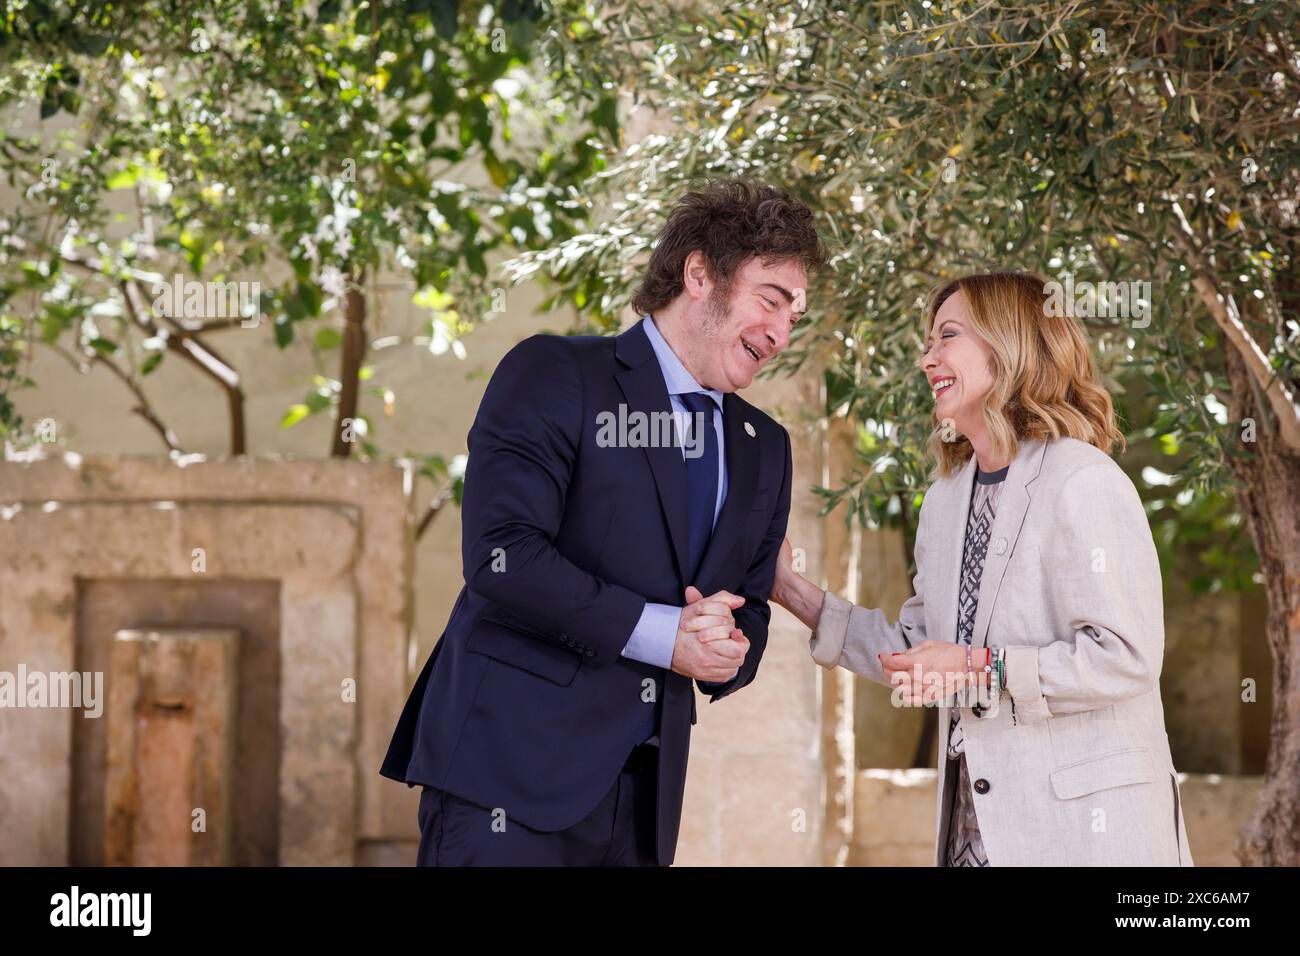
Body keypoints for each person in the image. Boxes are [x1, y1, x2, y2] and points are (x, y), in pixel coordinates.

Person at [381, 178, 828, 865]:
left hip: (645, 811)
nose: (780, 331)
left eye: (794, 316)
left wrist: (728, 651)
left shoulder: (764, 446)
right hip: (508, 779)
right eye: (771, 299)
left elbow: (746, 609)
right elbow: (504, 556)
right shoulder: (555, 373)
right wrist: (664, 636)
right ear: (700, 273)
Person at [768, 271, 1193, 866]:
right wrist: (788, 590)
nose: (927, 358)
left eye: (947, 336)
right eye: (929, 341)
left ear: (1010, 343)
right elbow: (918, 649)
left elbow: (1125, 658)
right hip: (973, 841)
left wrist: (978, 666)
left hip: (1082, 840)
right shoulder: (946, 497)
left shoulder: (1084, 481)